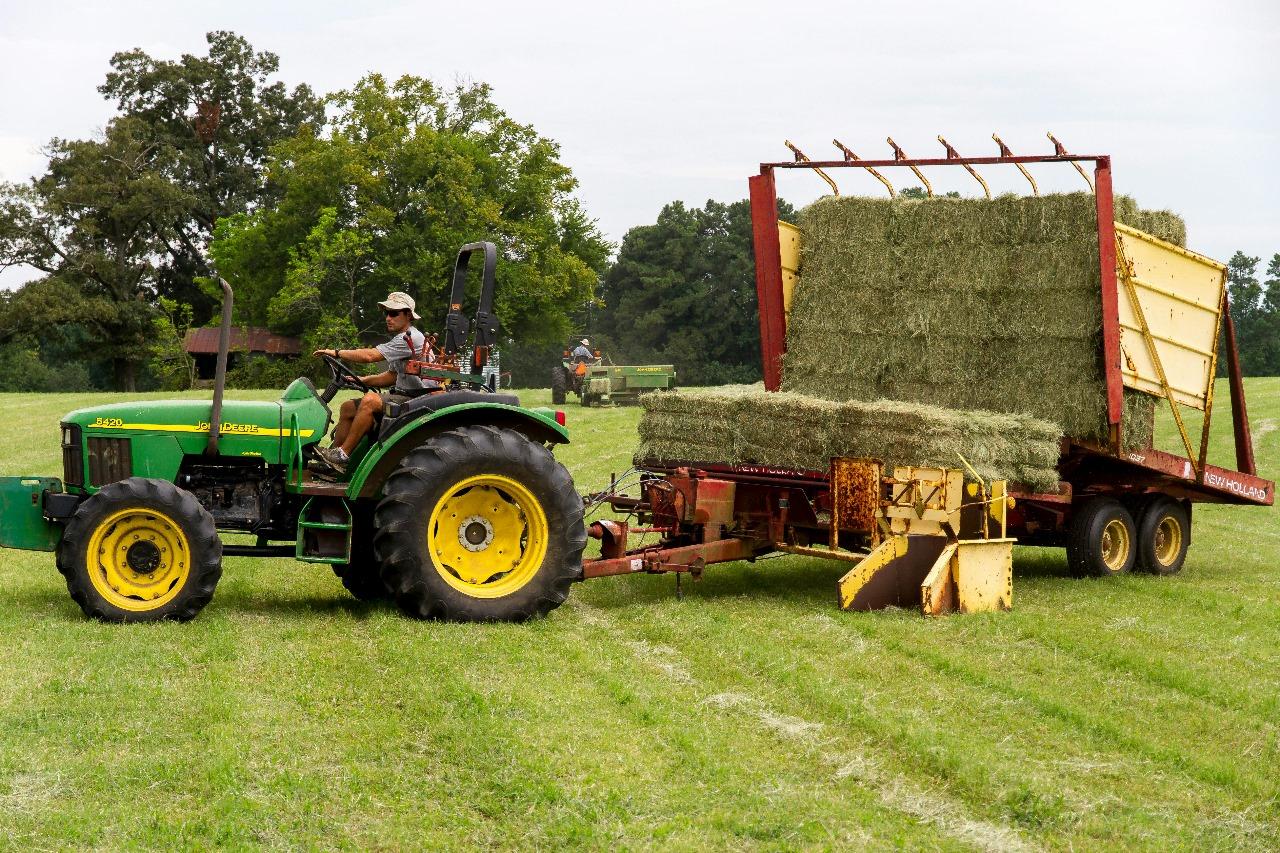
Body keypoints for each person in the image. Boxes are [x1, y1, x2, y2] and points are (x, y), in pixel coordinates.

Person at [310, 291, 432, 474]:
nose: (388, 318)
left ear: (408, 315)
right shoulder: (401, 338)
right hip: (404, 394)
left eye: (393, 313)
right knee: (347, 407)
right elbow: (391, 376)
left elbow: (369, 356)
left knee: (370, 400)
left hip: (419, 398)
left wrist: (335, 352)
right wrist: (359, 380)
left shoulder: (410, 337)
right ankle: (331, 461)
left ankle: (343, 455)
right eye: (386, 313)